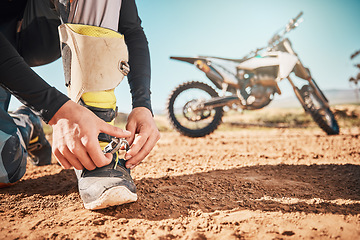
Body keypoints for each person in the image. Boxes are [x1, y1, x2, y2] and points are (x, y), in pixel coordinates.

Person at [0, 0, 160, 210]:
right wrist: (55, 109)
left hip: (41, 28)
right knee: (4, 166)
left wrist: (143, 105)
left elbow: (132, 29)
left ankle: (97, 149)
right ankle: (26, 123)